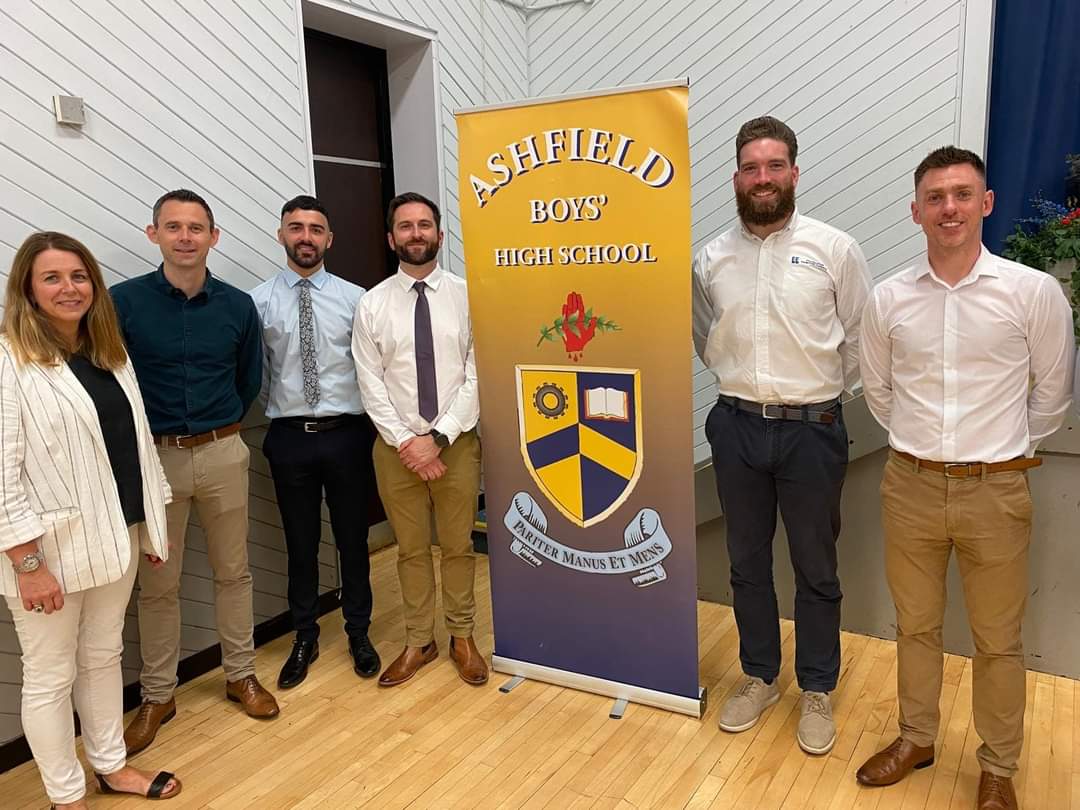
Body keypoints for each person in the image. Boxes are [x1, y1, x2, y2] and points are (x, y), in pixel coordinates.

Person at [856, 146, 1074, 810]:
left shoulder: (1031, 293)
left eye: (961, 194)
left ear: (986, 204)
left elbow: (1053, 396)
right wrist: (930, 452)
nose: (947, 207)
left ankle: (998, 767)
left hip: (996, 492)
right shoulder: (888, 298)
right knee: (914, 627)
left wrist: (994, 452)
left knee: (998, 640)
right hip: (911, 486)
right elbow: (879, 392)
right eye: (934, 197)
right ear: (915, 210)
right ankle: (916, 737)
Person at [692, 116, 871, 754]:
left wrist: (813, 395)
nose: (761, 178)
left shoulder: (835, 249)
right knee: (746, 565)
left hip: (812, 432)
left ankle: (817, 687)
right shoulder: (710, 257)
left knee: (816, 567)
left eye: (773, 166)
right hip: (735, 425)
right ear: (736, 177)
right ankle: (760, 675)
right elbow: (706, 338)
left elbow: (859, 341)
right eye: (750, 167)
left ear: (794, 172)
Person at [0, 232, 182, 807]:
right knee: (50, 676)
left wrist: (152, 525)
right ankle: (65, 793)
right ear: (27, 289)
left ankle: (111, 765)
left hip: (117, 535)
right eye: (52, 277)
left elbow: (139, 448)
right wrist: (27, 563)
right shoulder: (9, 358)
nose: (69, 288)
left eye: (79, 277)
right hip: (44, 553)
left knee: (103, 657)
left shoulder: (110, 352)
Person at [112, 189, 279, 758]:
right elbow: (114, 384)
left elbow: (247, 380)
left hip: (222, 451)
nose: (186, 237)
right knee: (158, 584)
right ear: (153, 233)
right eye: (174, 226)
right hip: (153, 461)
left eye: (197, 227)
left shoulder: (237, 306)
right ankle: (158, 695)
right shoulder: (123, 304)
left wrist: (217, 425)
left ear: (214, 237)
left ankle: (240, 675)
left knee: (235, 574)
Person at [352, 191, 486, 687]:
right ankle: (418, 641)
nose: (416, 233)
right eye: (405, 226)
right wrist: (410, 441)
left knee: (457, 546)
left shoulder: (469, 296)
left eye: (424, 225)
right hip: (395, 450)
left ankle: (461, 636)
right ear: (391, 239)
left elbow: (478, 373)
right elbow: (371, 383)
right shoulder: (372, 304)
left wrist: (440, 436)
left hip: (458, 444)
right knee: (409, 550)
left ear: (439, 234)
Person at [250, 195, 380, 689]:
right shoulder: (257, 302)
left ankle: (359, 632)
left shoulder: (357, 299)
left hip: (347, 436)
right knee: (300, 545)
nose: (306, 237)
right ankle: (305, 635)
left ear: (330, 239)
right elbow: (254, 374)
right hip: (288, 439)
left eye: (315, 229)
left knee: (353, 540)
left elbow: (374, 367)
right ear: (282, 234)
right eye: (296, 228)